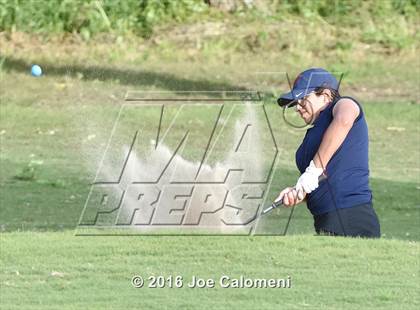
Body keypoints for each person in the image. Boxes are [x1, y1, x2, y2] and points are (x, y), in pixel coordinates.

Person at [276, 68, 380, 238]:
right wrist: (300, 192)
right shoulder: (314, 135)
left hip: (352, 215)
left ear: (325, 95)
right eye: (295, 103)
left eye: (303, 99)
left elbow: (345, 119)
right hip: (326, 218)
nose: (298, 108)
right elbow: (326, 178)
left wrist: (313, 170)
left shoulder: (343, 104)